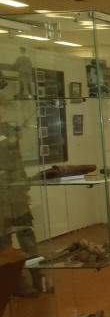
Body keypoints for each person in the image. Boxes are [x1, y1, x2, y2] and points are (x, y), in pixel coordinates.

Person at [0, 101, 43, 297]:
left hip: (16, 192)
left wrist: (23, 187)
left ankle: (38, 277)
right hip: (2, 195)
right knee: (5, 242)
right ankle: (15, 283)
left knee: (27, 234)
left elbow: (17, 164)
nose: (4, 111)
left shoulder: (8, 131)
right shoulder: (5, 137)